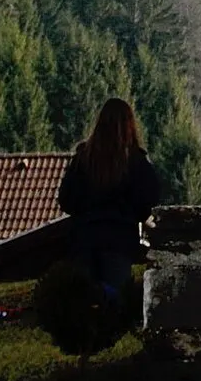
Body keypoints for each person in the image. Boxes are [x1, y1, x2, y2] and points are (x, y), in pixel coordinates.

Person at [57, 95, 163, 303]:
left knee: (84, 301)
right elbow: (148, 200)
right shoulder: (135, 161)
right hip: (119, 241)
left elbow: (66, 200)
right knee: (115, 301)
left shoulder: (83, 159)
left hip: (84, 239)